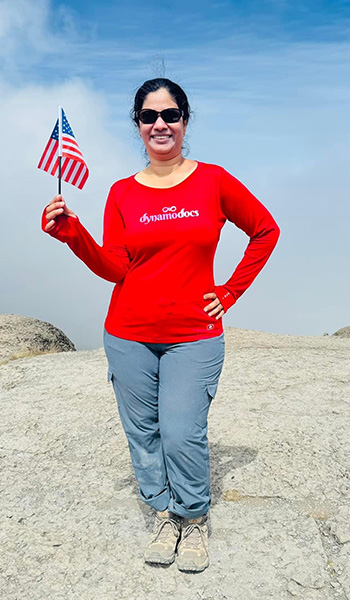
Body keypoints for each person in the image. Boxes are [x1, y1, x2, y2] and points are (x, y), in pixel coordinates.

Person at [41, 78, 280, 572]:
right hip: (127, 333)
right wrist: (74, 235)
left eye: (170, 115)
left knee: (180, 432)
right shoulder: (123, 193)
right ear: (138, 126)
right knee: (143, 433)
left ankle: (192, 518)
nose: (160, 124)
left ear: (185, 122)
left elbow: (265, 229)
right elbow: (116, 267)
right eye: (149, 116)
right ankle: (162, 511)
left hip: (193, 335)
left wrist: (230, 292)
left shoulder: (213, 181)